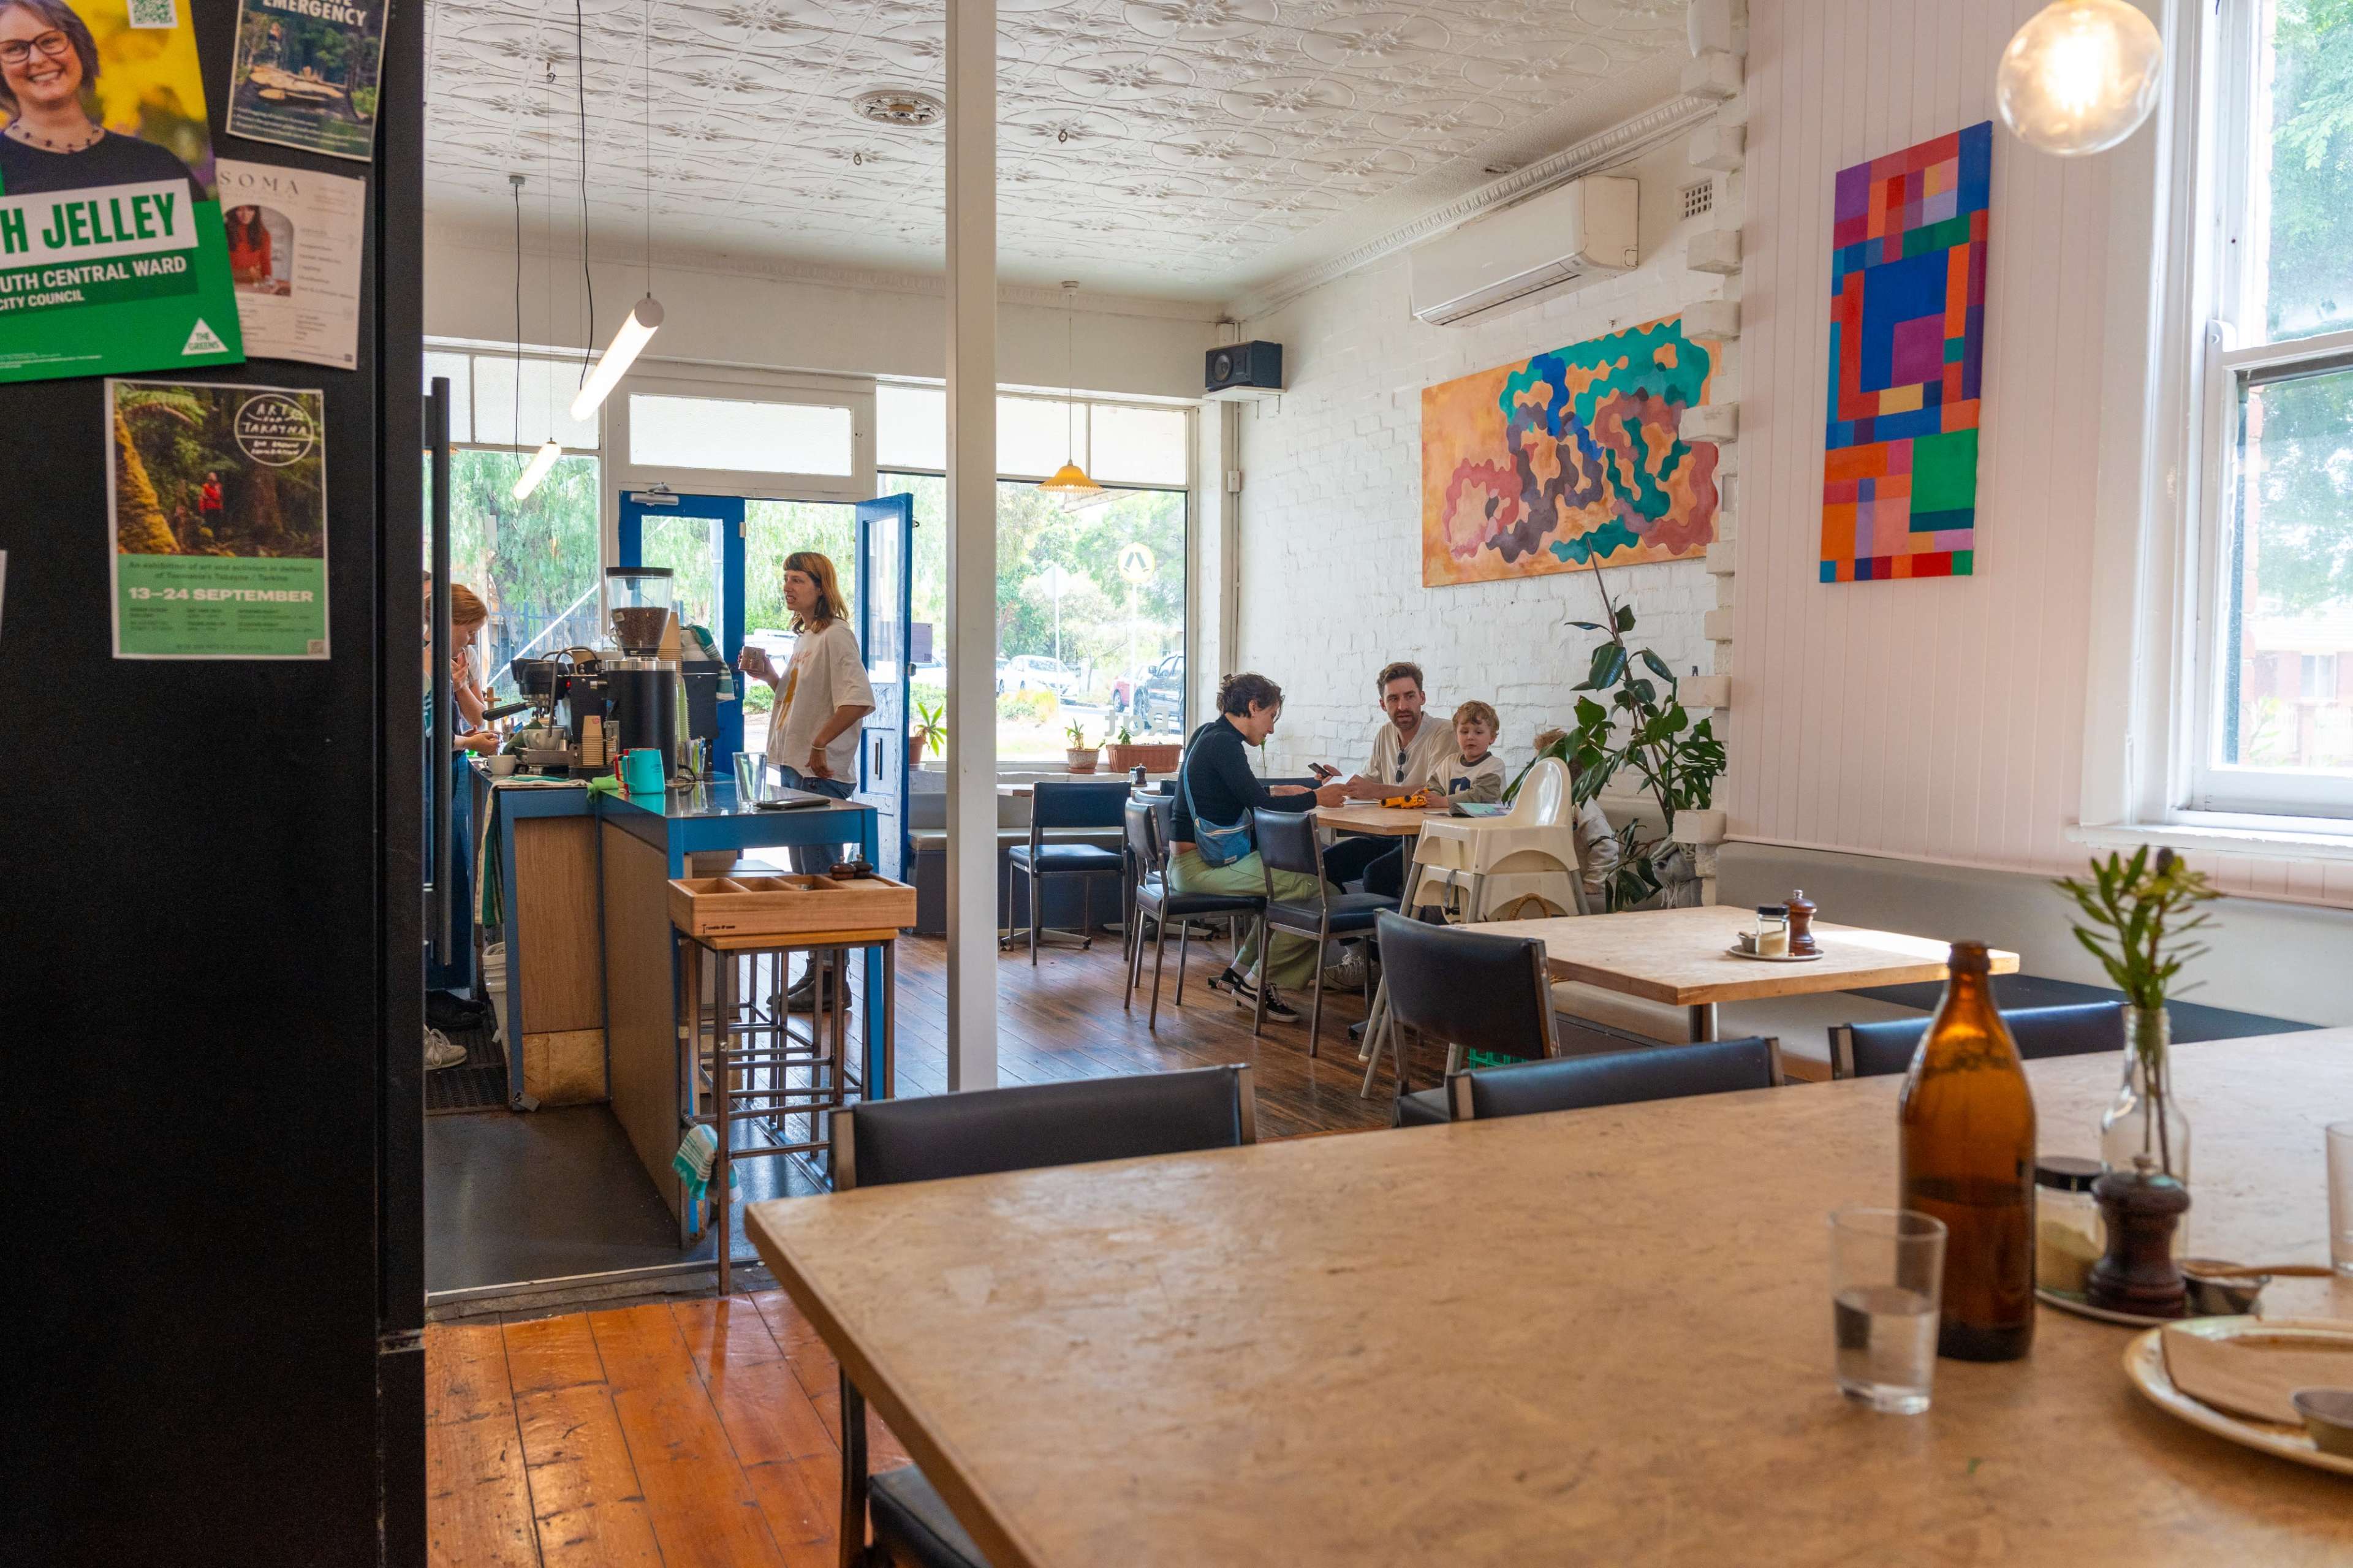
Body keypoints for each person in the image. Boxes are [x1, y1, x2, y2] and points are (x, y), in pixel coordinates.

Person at [738, 551, 874, 1010]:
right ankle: (818, 973)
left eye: (797, 579)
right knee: (808, 883)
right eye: (786, 579)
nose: (788, 587)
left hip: (821, 778)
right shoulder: (807, 638)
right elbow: (798, 700)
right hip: (797, 773)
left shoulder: (837, 636)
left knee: (821, 883)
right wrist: (768, 675)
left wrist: (820, 744)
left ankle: (834, 981)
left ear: (821, 586)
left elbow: (858, 701)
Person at [1170, 672, 1321, 1025]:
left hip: (1192, 863)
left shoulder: (1208, 734)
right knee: (1319, 892)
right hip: (1202, 869)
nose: (1270, 729)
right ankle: (1258, 981)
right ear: (1253, 708)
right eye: (1271, 717)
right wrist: (1316, 797)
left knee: (1293, 887)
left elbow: (1244, 791)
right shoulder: (1225, 744)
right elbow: (1258, 805)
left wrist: (1303, 788)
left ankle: (1240, 973)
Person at [0, 0, 207, 202]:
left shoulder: (157, 164)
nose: (38, 59)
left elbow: (208, 234)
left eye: (50, 41)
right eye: (14, 49)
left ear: (80, 47)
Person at [423, 583, 501, 1067]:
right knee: (433, 892)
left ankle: (437, 995)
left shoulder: (439, 666)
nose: (468, 644)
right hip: (427, 785)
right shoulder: (424, 664)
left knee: (448, 883)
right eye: (468, 633)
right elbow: (423, 733)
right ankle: (428, 1000)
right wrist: (466, 741)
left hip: (439, 782)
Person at [1316, 661, 1451, 900]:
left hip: (1428, 839)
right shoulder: (1385, 734)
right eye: (1393, 699)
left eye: (1410, 696)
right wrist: (1342, 783)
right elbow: (1368, 784)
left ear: (1422, 697)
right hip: (1389, 835)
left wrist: (1373, 790)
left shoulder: (1444, 732)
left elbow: (1433, 792)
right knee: (1324, 864)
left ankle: (1390, 937)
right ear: (1382, 704)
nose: (1402, 706)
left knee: (1377, 874)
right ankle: (1350, 935)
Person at [1425, 700, 1507, 805]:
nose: (1470, 737)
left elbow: (1481, 796)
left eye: (1478, 732)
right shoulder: (1449, 762)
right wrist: (1427, 797)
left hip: (1486, 820)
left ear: (1492, 737)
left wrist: (1444, 801)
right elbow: (1435, 787)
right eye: (1464, 732)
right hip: (1450, 820)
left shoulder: (1494, 766)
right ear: (1456, 736)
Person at [226, 206, 272, 288]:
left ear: (256, 212)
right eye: (240, 210)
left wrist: (268, 278)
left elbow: (265, 261)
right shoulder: (223, 230)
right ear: (233, 211)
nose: (245, 215)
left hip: (253, 279)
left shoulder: (264, 234)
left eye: (250, 210)